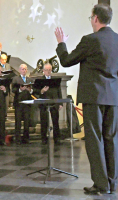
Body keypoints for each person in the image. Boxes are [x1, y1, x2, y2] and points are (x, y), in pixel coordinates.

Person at [55, 4, 118, 194]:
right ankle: (112, 183)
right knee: (112, 139)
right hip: (114, 97)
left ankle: (101, 184)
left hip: (94, 96)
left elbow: (67, 60)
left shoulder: (90, 40)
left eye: (91, 18)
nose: (91, 21)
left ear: (96, 18)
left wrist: (61, 43)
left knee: (95, 140)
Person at [36, 63, 62, 145]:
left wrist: (60, 103)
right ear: (43, 71)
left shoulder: (55, 80)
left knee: (55, 122)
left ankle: (57, 138)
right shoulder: (40, 81)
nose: (48, 71)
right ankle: (44, 138)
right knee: (44, 122)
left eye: (49, 70)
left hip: (54, 103)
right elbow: (35, 92)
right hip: (44, 104)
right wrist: (42, 91)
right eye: (46, 70)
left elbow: (59, 92)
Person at [12, 64, 33, 144]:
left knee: (27, 122)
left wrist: (30, 90)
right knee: (18, 122)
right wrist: (20, 89)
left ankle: (26, 138)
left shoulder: (29, 79)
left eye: (25, 69)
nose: (24, 71)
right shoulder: (15, 79)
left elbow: (33, 91)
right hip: (19, 103)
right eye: (22, 69)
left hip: (27, 103)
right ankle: (17, 139)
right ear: (19, 70)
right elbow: (13, 90)